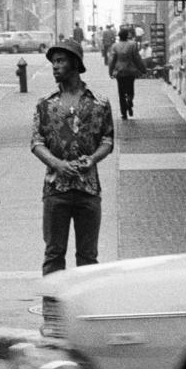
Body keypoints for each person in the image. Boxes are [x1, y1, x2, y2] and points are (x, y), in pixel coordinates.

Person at [31, 40, 115, 274]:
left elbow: (108, 140)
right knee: (54, 254)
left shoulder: (99, 102)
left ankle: (85, 298)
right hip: (55, 190)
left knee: (88, 256)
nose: (55, 66)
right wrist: (57, 164)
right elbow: (36, 142)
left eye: (60, 61)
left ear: (75, 63)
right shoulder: (45, 104)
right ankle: (52, 298)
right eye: (53, 62)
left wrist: (93, 159)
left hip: (88, 190)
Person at [108, 25, 146, 120]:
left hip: (119, 72)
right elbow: (137, 58)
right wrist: (142, 69)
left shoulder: (115, 46)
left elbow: (112, 60)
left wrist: (110, 71)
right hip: (130, 71)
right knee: (130, 89)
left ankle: (124, 113)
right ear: (127, 36)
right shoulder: (133, 45)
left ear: (119, 36)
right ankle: (129, 100)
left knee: (121, 92)